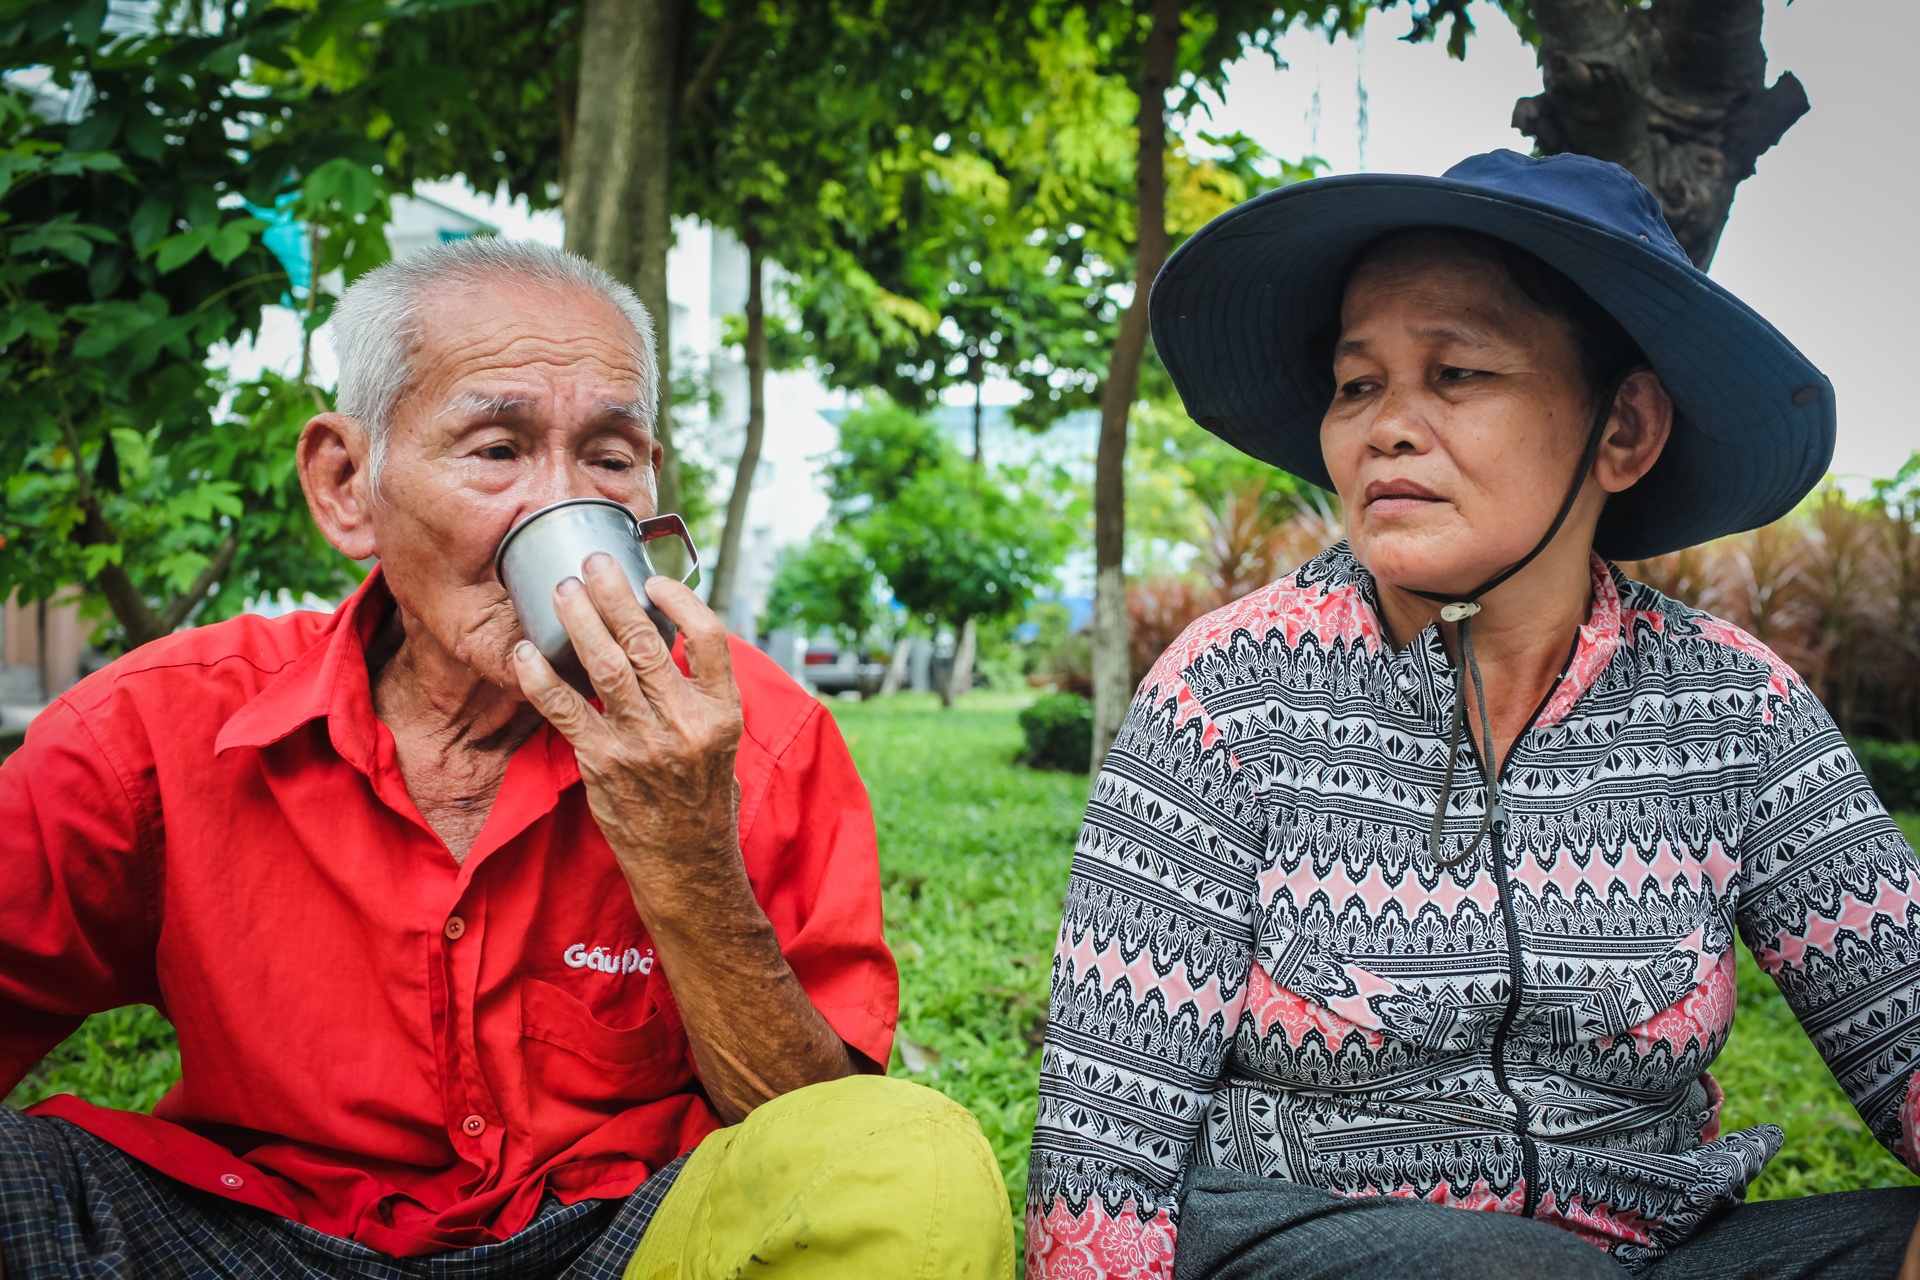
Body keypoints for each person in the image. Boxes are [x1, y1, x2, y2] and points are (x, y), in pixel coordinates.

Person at [0, 238, 1014, 1280]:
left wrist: (686, 852)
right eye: (497, 448)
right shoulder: (159, 726)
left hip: (616, 1238)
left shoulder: (758, 730)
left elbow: (812, 1133)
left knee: (904, 1157)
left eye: (610, 459)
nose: (560, 507)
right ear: (348, 484)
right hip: (257, 1234)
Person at [1025, 150, 1920, 1280]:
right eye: (1358, 385)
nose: (1386, 427)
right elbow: (1105, 1145)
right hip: (1303, 1233)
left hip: (1657, 1248)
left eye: (1456, 373)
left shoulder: (1737, 709)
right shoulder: (1227, 692)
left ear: (1624, 430)